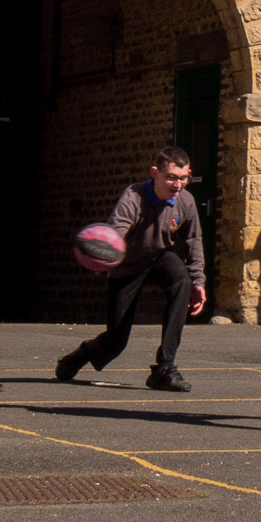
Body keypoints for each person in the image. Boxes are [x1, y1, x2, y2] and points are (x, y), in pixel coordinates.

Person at [56, 147, 206, 392]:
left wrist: (198, 282)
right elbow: (116, 230)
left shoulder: (186, 201)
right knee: (116, 341)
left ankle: (165, 367)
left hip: (159, 257)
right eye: (170, 177)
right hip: (127, 265)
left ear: (188, 174)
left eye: (182, 178)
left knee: (181, 279)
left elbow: (193, 241)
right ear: (155, 173)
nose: (177, 184)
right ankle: (81, 355)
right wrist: (103, 256)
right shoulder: (134, 196)